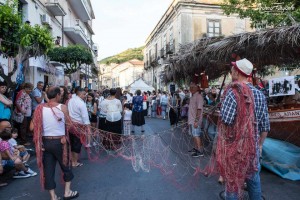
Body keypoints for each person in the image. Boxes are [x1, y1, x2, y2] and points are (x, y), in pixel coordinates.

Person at [217, 58, 270, 200]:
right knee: (254, 183)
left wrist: (223, 149)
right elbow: (265, 126)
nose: (231, 71)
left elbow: (225, 123)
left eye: (233, 69)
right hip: (253, 149)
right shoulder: (260, 95)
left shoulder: (232, 93)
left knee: (233, 186)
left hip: (235, 151)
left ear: (237, 72)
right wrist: (259, 145)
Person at [32, 86, 78, 200]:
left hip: (45, 143)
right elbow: (69, 125)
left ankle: (53, 197)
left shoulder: (39, 108)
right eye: (60, 94)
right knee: (66, 166)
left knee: (48, 169)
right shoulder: (62, 107)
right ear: (57, 95)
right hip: (60, 142)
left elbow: (32, 127)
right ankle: (67, 192)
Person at [68, 88, 91, 167]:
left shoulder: (71, 100)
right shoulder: (81, 103)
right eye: (84, 94)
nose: (85, 96)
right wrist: (88, 127)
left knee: (72, 143)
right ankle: (74, 162)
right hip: (78, 126)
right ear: (80, 94)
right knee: (77, 144)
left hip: (70, 125)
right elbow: (85, 117)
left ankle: (73, 160)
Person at [188, 82, 204, 157]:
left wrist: (196, 121)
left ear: (196, 88)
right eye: (190, 87)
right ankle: (196, 148)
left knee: (196, 135)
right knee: (194, 135)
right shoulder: (193, 96)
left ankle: (200, 151)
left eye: (192, 87)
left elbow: (199, 109)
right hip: (192, 120)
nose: (191, 89)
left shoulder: (199, 96)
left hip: (195, 120)